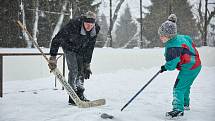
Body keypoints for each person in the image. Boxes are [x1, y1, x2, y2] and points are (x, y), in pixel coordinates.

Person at [48, 11, 100, 105]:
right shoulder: (73, 24)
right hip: (69, 47)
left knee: (81, 71)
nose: (89, 27)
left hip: (81, 49)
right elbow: (57, 39)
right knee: (74, 70)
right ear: (83, 22)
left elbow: (90, 48)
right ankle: (72, 96)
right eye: (87, 24)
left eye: (91, 24)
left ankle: (80, 94)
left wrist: (87, 64)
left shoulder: (95, 29)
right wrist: (53, 56)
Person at [158, 14, 201, 118]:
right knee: (185, 86)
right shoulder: (181, 37)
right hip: (196, 65)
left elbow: (171, 65)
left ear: (170, 36)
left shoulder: (172, 47)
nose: (160, 37)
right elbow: (189, 40)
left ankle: (178, 109)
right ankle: (185, 104)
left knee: (178, 88)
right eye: (160, 34)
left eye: (163, 35)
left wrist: (165, 67)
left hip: (189, 68)